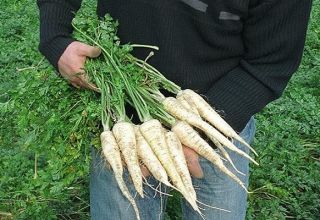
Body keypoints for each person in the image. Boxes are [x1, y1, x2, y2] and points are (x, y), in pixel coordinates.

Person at [37, 0, 312, 219]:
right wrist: (55, 38)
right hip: (122, 120)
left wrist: (199, 132)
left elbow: (270, 63)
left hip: (217, 123)